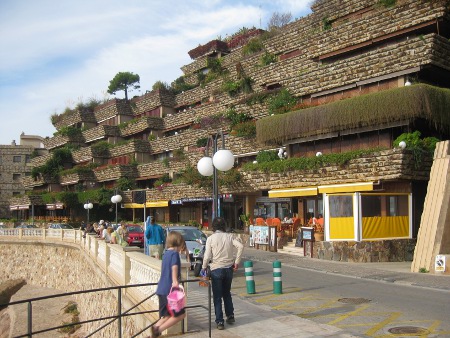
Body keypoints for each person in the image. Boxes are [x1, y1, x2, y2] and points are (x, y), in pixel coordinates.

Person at [201, 217, 243, 330]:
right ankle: (230, 315)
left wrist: (204, 267)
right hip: (229, 269)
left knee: (217, 296)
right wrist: (237, 262)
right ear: (224, 226)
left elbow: (207, 256)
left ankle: (220, 321)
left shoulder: (210, 238)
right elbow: (240, 246)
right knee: (227, 293)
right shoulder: (229, 236)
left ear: (213, 227)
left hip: (216, 270)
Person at [151, 231, 186, 337]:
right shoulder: (175, 254)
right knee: (180, 315)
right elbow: (174, 267)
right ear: (178, 243)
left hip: (161, 289)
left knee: (166, 315)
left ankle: (155, 328)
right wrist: (175, 281)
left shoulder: (165, 254)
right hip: (168, 291)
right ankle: (158, 330)